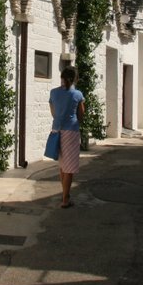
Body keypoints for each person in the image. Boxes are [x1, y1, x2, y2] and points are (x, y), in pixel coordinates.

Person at [49, 66, 85, 208]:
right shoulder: (77, 94)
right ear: (75, 78)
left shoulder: (53, 93)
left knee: (62, 165)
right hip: (71, 131)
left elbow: (53, 113)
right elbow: (81, 114)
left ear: (62, 77)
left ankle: (64, 195)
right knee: (69, 167)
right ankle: (65, 199)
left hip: (56, 130)